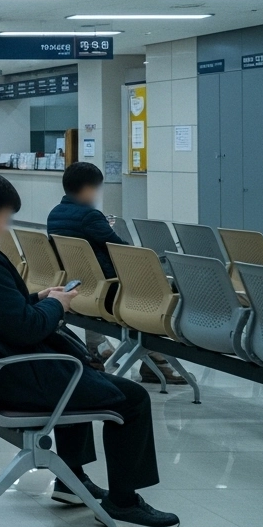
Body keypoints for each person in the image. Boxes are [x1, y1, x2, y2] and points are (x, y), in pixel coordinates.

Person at [0, 171, 178, 527]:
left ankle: (71, 481)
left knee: (81, 377)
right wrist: (57, 307)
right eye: (4, 219)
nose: (4, 228)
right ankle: (124, 503)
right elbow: (27, 329)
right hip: (12, 376)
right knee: (129, 398)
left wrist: (39, 298)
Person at [47, 162, 184, 385]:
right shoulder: (90, 216)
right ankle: (158, 360)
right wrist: (107, 227)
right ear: (88, 189)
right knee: (156, 293)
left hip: (81, 289)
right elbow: (124, 251)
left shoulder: (55, 214)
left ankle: (103, 348)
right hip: (110, 292)